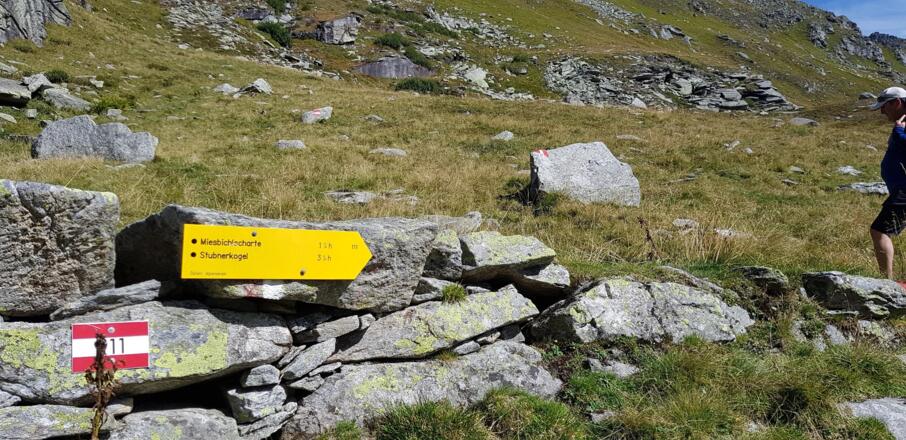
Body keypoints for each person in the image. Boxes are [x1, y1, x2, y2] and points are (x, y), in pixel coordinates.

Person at [869, 86, 906, 280]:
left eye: (884, 106)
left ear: (897, 103)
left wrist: (899, 132)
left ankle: (887, 283)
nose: (882, 111)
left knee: (880, 230)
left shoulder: (903, 126)